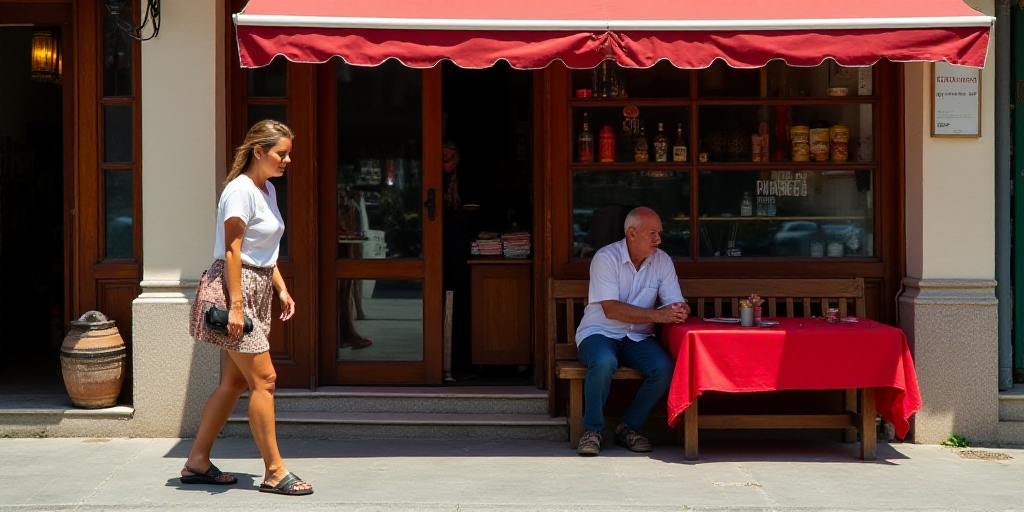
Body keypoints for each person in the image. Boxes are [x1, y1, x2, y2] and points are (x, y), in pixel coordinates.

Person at [183, 120, 313, 495]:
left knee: (234, 381)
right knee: (265, 380)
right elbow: (233, 251)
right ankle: (274, 471)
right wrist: (237, 306)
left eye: (288, 153)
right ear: (258, 151)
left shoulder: (266, 189)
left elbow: (263, 254)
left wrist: (282, 289)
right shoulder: (240, 191)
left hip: (256, 286)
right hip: (233, 289)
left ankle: (197, 461)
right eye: (281, 153)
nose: (287, 160)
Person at [573, 206, 690, 456]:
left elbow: (673, 300)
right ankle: (591, 430)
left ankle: (628, 428)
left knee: (664, 368)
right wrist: (659, 315)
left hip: (637, 336)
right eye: (652, 233)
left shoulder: (663, 260)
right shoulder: (606, 258)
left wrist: (679, 309)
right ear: (632, 233)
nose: (658, 239)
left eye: (659, 233)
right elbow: (611, 310)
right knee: (603, 362)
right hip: (599, 332)